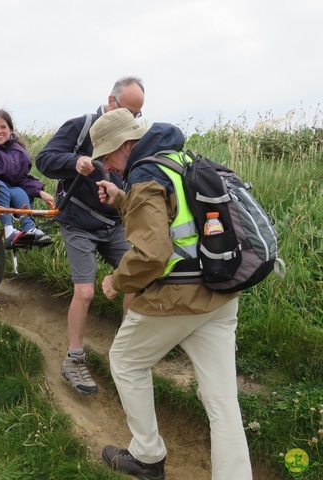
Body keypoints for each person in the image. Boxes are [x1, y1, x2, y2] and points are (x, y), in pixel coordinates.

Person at [92, 108, 253, 480]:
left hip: (181, 296)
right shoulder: (177, 158)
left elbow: (153, 254)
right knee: (222, 400)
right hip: (222, 292)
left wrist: (116, 281)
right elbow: (179, 218)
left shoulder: (144, 174)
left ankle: (147, 456)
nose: (109, 167)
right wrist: (121, 198)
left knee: (126, 361)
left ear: (126, 144)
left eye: (108, 157)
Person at [34, 76, 145, 395]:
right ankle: (74, 359)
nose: (133, 120)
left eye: (138, 115)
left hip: (114, 223)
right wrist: (76, 162)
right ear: (111, 102)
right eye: (128, 111)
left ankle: (125, 353)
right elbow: (44, 160)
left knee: (137, 278)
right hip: (79, 222)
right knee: (84, 292)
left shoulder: (132, 137)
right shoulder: (81, 126)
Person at [0, 109, 54, 248]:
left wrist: (40, 192)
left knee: (19, 192)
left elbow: (22, 179)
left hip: (8, 188)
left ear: (10, 129)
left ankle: (29, 228)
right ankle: (9, 231)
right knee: (1, 185)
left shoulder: (18, 151)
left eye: (3, 127)